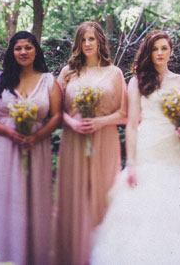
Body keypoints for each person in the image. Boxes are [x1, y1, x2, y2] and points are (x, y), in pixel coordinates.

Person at [90, 30, 180, 265]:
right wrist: (131, 162)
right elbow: (132, 125)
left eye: (164, 48)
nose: (160, 53)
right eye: (155, 49)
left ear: (171, 51)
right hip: (147, 148)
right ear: (149, 52)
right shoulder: (137, 81)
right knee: (146, 208)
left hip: (173, 150)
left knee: (176, 208)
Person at [0, 31, 62, 265]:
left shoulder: (49, 81)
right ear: (12, 52)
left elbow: (57, 116)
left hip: (37, 147)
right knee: (4, 198)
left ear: (36, 50)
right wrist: (9, 132)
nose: (23, 52)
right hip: (3, 148)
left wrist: (38, 136)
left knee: (34, 198)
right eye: (18, 48)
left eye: (28, 47)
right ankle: (3, 257)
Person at [51, 21, 127, 265]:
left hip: (104, 140)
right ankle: (74, 255)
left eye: (92, 39)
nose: (87, 44)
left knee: (103, 195)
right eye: (83, 40)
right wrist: (71, 124)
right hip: (74, 140)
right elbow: (56, 111)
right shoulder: (67, 73)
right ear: (77, 43)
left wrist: (100, 122)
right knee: (75, 196)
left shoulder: (114, 73)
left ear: (100, 42)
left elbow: (124, 114)